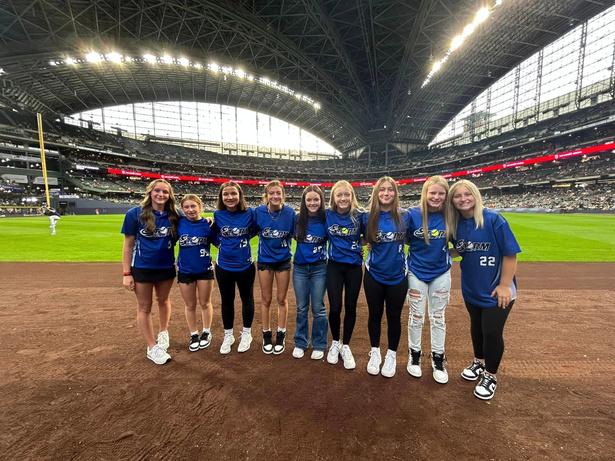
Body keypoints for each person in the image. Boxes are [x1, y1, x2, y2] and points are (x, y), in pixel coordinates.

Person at [447, 179, 521, 400]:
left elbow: (510, 254)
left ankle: (490, 375)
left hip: (496, 290)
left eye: (467, 194)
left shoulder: (493, 219)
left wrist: (505, 285)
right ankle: (478, 362)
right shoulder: (456, 224)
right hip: (472, 287)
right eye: (457, 196)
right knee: (476, 327)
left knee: (491, 332)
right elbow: (462, 250)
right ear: (452, 201)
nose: (463, 199)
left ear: (475, 195)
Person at [121, 179, 179, 365]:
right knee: (144, 307)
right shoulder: (134, 214)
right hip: (142, 267)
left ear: (169, 195)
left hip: (166, 267)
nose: (161, 194)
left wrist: (207, 220)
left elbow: (192, 224)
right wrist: (126, 273)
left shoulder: (175, 215)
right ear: (150, 192)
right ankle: (152, 347)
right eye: (157, 191)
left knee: (163, 300)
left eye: (165, 192)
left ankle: (163, 332)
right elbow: (128, 245)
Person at [406, 176, 452, 384]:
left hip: (441, 272)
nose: (436, 197)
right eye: (432, 192)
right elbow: (401, 237)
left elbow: (460, 241)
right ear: (425, 193)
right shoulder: (412, 215)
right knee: (416, 315)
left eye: (441, 193)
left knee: (438, 316)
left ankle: (438, 358)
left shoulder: (450, 214)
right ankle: (414, 355)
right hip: (416, 271)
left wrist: (447, 254)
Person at [362, 177, 409, 378]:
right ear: (376, 193)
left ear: (395, 193)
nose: (386, 193)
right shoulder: (367, 217)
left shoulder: (406, 216)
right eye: (382, 190)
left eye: (390, 190)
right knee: (374, 315)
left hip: (398, 275)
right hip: (373, 273)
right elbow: (359, 237)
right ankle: (375, 352)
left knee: (394, 316)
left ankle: (391, 355)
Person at [211, 182, 256, 355]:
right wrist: (221, 244)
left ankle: (247, 333)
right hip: (224, 266)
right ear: (221, 197)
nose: (230, 197)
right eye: (226, 194)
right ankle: (228, 335)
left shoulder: (249, 213)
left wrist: (244, 239)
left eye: (233, 194)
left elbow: (256, 228)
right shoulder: (218, 214)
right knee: (227, 300)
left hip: (245, 265)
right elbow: (212, 234)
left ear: (240, 195)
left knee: (247, 298)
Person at [325, 180, 364, 370]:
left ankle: (346, 345)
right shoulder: (327, 214)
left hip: (354, 268)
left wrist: (363, 244)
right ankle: (335, 342)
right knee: (335, 307)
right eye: (339, 195)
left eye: (346, 194)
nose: (343, 198)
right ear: (333, 197)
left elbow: (371, 234)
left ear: (352, 196)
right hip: (334, 266)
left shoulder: (360, 216)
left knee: (350, 307)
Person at [254, 180, 296, 355]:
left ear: (283, 195)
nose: (275, 196)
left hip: (283, 260)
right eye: (271, 193)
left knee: (281, 299)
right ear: (266, 195)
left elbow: (297, 234)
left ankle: (281, 333)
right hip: (265, 260)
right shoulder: (258, 212)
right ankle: (266, 333)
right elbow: (248, 228)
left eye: (278, 193)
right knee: (266, 299)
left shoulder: (290, 213)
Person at [292, 185, 328, 360]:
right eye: (309, 200)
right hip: (300, 268)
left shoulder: (326, 219)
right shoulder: (297, 219)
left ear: (321, 201)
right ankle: (301, 342)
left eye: (316, 199)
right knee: (301, 307)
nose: (312, 203)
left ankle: (319, 343)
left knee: (318, 307)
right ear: (304, 201)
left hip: (319, 268)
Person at [177, 194, 214, 352]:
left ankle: (206, 332)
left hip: (205, 269)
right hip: (185, 270)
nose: (190, 210)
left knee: (205, 303)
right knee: (190, 305)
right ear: (182, 209)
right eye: (186, 207)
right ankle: (193, 334)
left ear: (200, 207)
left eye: (193, 206)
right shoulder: (179, 223)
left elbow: (220, 243)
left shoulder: (208, 225)